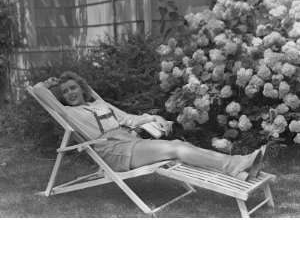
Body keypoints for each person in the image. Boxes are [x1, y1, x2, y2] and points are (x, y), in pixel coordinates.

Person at [32, 71, 266, 181]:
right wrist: (50, 83)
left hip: (130, 140)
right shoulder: (70, 113)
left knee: (177, 145)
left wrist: (151, 118)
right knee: (175, 148)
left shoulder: (101, 105)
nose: (70, 93)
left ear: (82, 89)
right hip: (113, 150)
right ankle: (234, 164)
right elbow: (41, 93)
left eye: (73, 88)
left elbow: (129, 119)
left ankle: (243, 169)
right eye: (65, 92)